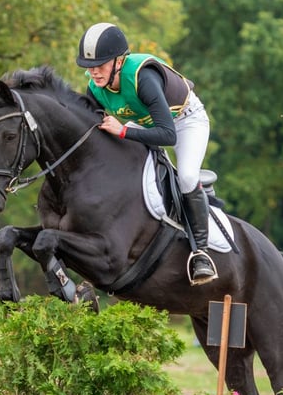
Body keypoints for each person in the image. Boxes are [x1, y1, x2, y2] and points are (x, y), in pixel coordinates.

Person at [76, 22, 218, 285]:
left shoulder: (143, 77)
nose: (94, 72)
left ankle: (201, 252)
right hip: (146, 123)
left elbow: (168, 135)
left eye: (101, 65)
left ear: (119, 61)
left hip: (185, 121)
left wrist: (122, 132)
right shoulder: (95, 88)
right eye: (89, 66)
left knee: (186, 176)